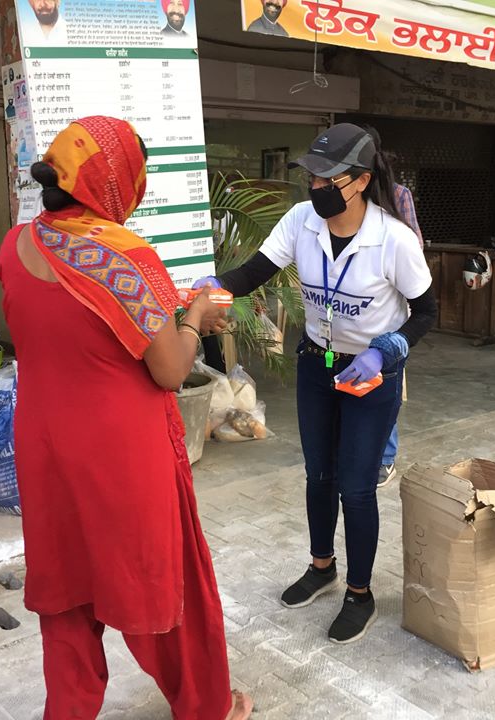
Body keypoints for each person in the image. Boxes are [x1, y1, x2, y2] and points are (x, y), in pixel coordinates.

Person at [0, 116, 251, 720]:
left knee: (66, 595)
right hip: (120, 456)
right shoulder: (123, 256)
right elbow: (167, 369)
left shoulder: (16, 244)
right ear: (116, 183)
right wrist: (194, 320)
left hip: (45, 447)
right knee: (158, 585)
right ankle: (206, 707)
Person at [193, 124, 436, 644]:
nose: (316, 186)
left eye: (330, 178)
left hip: (370, 373)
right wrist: (215, 285)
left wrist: (385, 350)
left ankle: (360, 593)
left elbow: (426, 311)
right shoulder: (303, 221)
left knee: (357, 485)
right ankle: (322, 566)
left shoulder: (392, 238)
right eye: (312, 176)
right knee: (319, 475)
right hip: (315, 365)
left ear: (361, 180)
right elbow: (253, 271)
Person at [379, 180, 424, 488]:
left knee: (387, 385)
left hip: (390, 304)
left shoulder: (397, 194)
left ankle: (385, 458)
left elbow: (414, 244)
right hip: (352, 313)